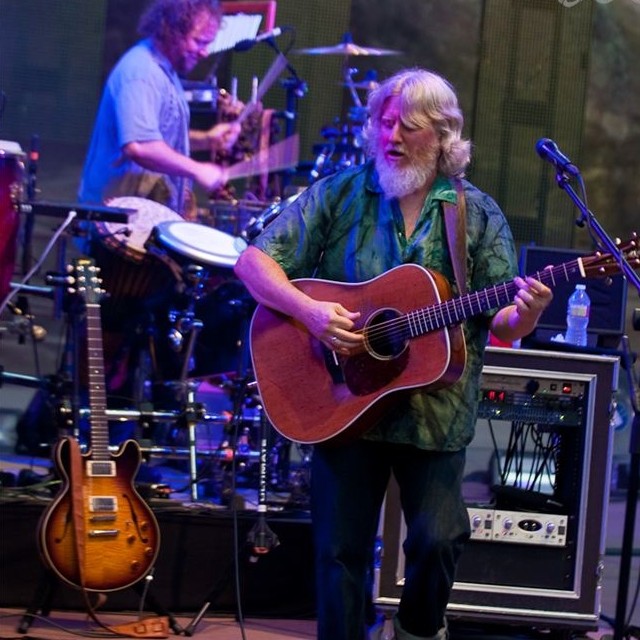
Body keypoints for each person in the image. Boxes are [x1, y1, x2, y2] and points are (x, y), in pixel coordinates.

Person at [233, 68, 553, 640]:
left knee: (439, 539)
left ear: (444, 135)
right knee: (338, 554)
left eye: (408, 126)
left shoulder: (473, 214)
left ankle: (416, 631)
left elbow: (502, 318)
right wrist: (310, 313)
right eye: (384, 123)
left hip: (436, 412)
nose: (392, 136)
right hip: (341, 403)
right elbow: (253, 263)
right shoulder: (339, 193)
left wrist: (525, 312)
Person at [78, 0, 241, 218]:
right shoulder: (142, 73)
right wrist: (199, 170)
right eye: (199, 42)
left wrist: (206, 139)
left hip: (138, 213)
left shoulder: (165, 69)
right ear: (170, 31)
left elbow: (156, 134)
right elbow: (141, 147)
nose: (205, 53)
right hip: (115, 220)